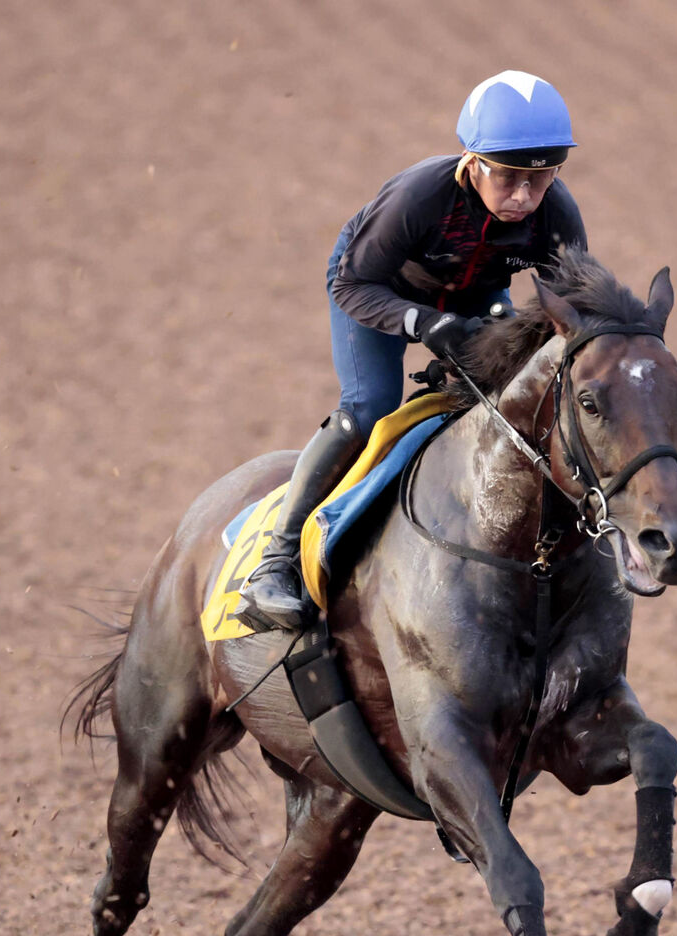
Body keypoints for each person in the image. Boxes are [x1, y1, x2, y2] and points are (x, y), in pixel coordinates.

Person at [238, 69, 588, 632]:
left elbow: (571, 305)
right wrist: (424, 323)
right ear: (472, 161)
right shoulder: (418, 197)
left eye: (541, 177)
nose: (524, 196)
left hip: (470, 294)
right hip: (376, 288)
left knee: (500, 406)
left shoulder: (556, 212)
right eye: (508, 177)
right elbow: (352, 286)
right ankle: (275, 564)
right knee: (369, 408)